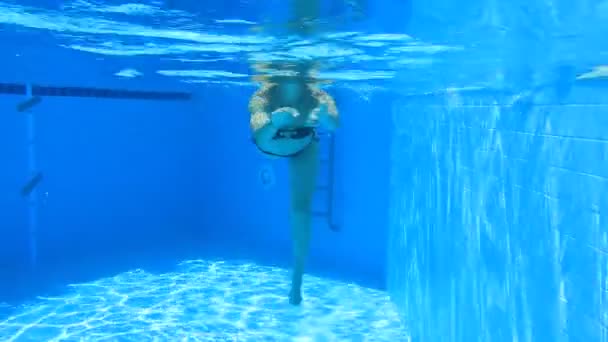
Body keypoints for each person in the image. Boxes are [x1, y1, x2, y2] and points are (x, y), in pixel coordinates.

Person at [248, 62, 339, 305]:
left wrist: (324, 117)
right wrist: (273, 123)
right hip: (272, 143)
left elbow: (334, 123)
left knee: (301, 209)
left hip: (303, 145)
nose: (293, 78)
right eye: (287, 74)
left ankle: (296, 281)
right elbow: (258, 129)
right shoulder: (263, 95)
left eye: (298, 76)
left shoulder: (318, 95)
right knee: (265, 137)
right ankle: (277, 126)